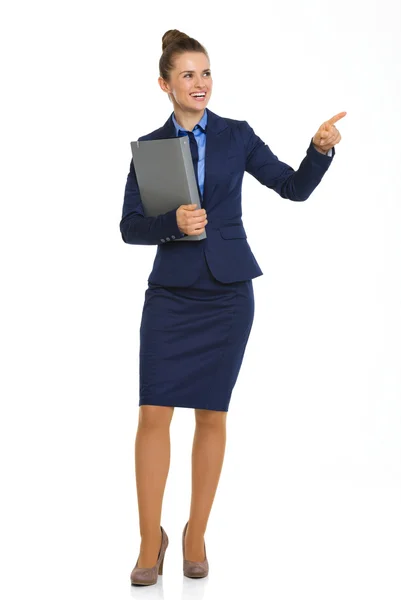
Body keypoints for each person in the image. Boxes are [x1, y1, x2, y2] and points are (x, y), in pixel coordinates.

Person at [120, 29, 345, 586]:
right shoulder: (149, 148)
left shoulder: (235, 136)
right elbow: (128, 228)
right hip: (171, 295)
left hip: (226, 295)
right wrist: (171, 224)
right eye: (188, 74)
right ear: (164, 83)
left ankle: (196, 531)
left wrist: (318, 151)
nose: (200, 83)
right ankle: (152, 539)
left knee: (212, 414)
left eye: (206, 72)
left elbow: (292, 189)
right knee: (153, 413)